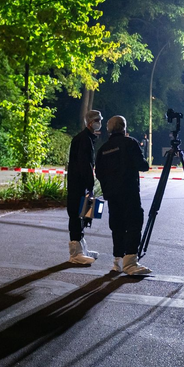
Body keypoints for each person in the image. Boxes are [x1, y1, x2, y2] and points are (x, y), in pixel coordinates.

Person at [95, 115, 151, 275]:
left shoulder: (103, 149)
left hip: (112, 194)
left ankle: (117, 261)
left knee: (117, 226)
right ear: (124, 128)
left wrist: (108, 186)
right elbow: (143, 165)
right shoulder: (130, 143)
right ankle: (131, 262)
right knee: (134, 223)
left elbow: (98, 172)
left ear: (108, 130)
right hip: (129, 192)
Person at [66, 109, 102, 265]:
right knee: (76, 215)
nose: (99, 123)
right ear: (90, 122)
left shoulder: (86, 138)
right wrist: (90, 185)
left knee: (83, 216)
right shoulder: (84, 140)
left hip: (79, 184)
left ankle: (82, 249)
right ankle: (75, 254)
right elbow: (84, 165)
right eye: (98, 120)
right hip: (78, 184)